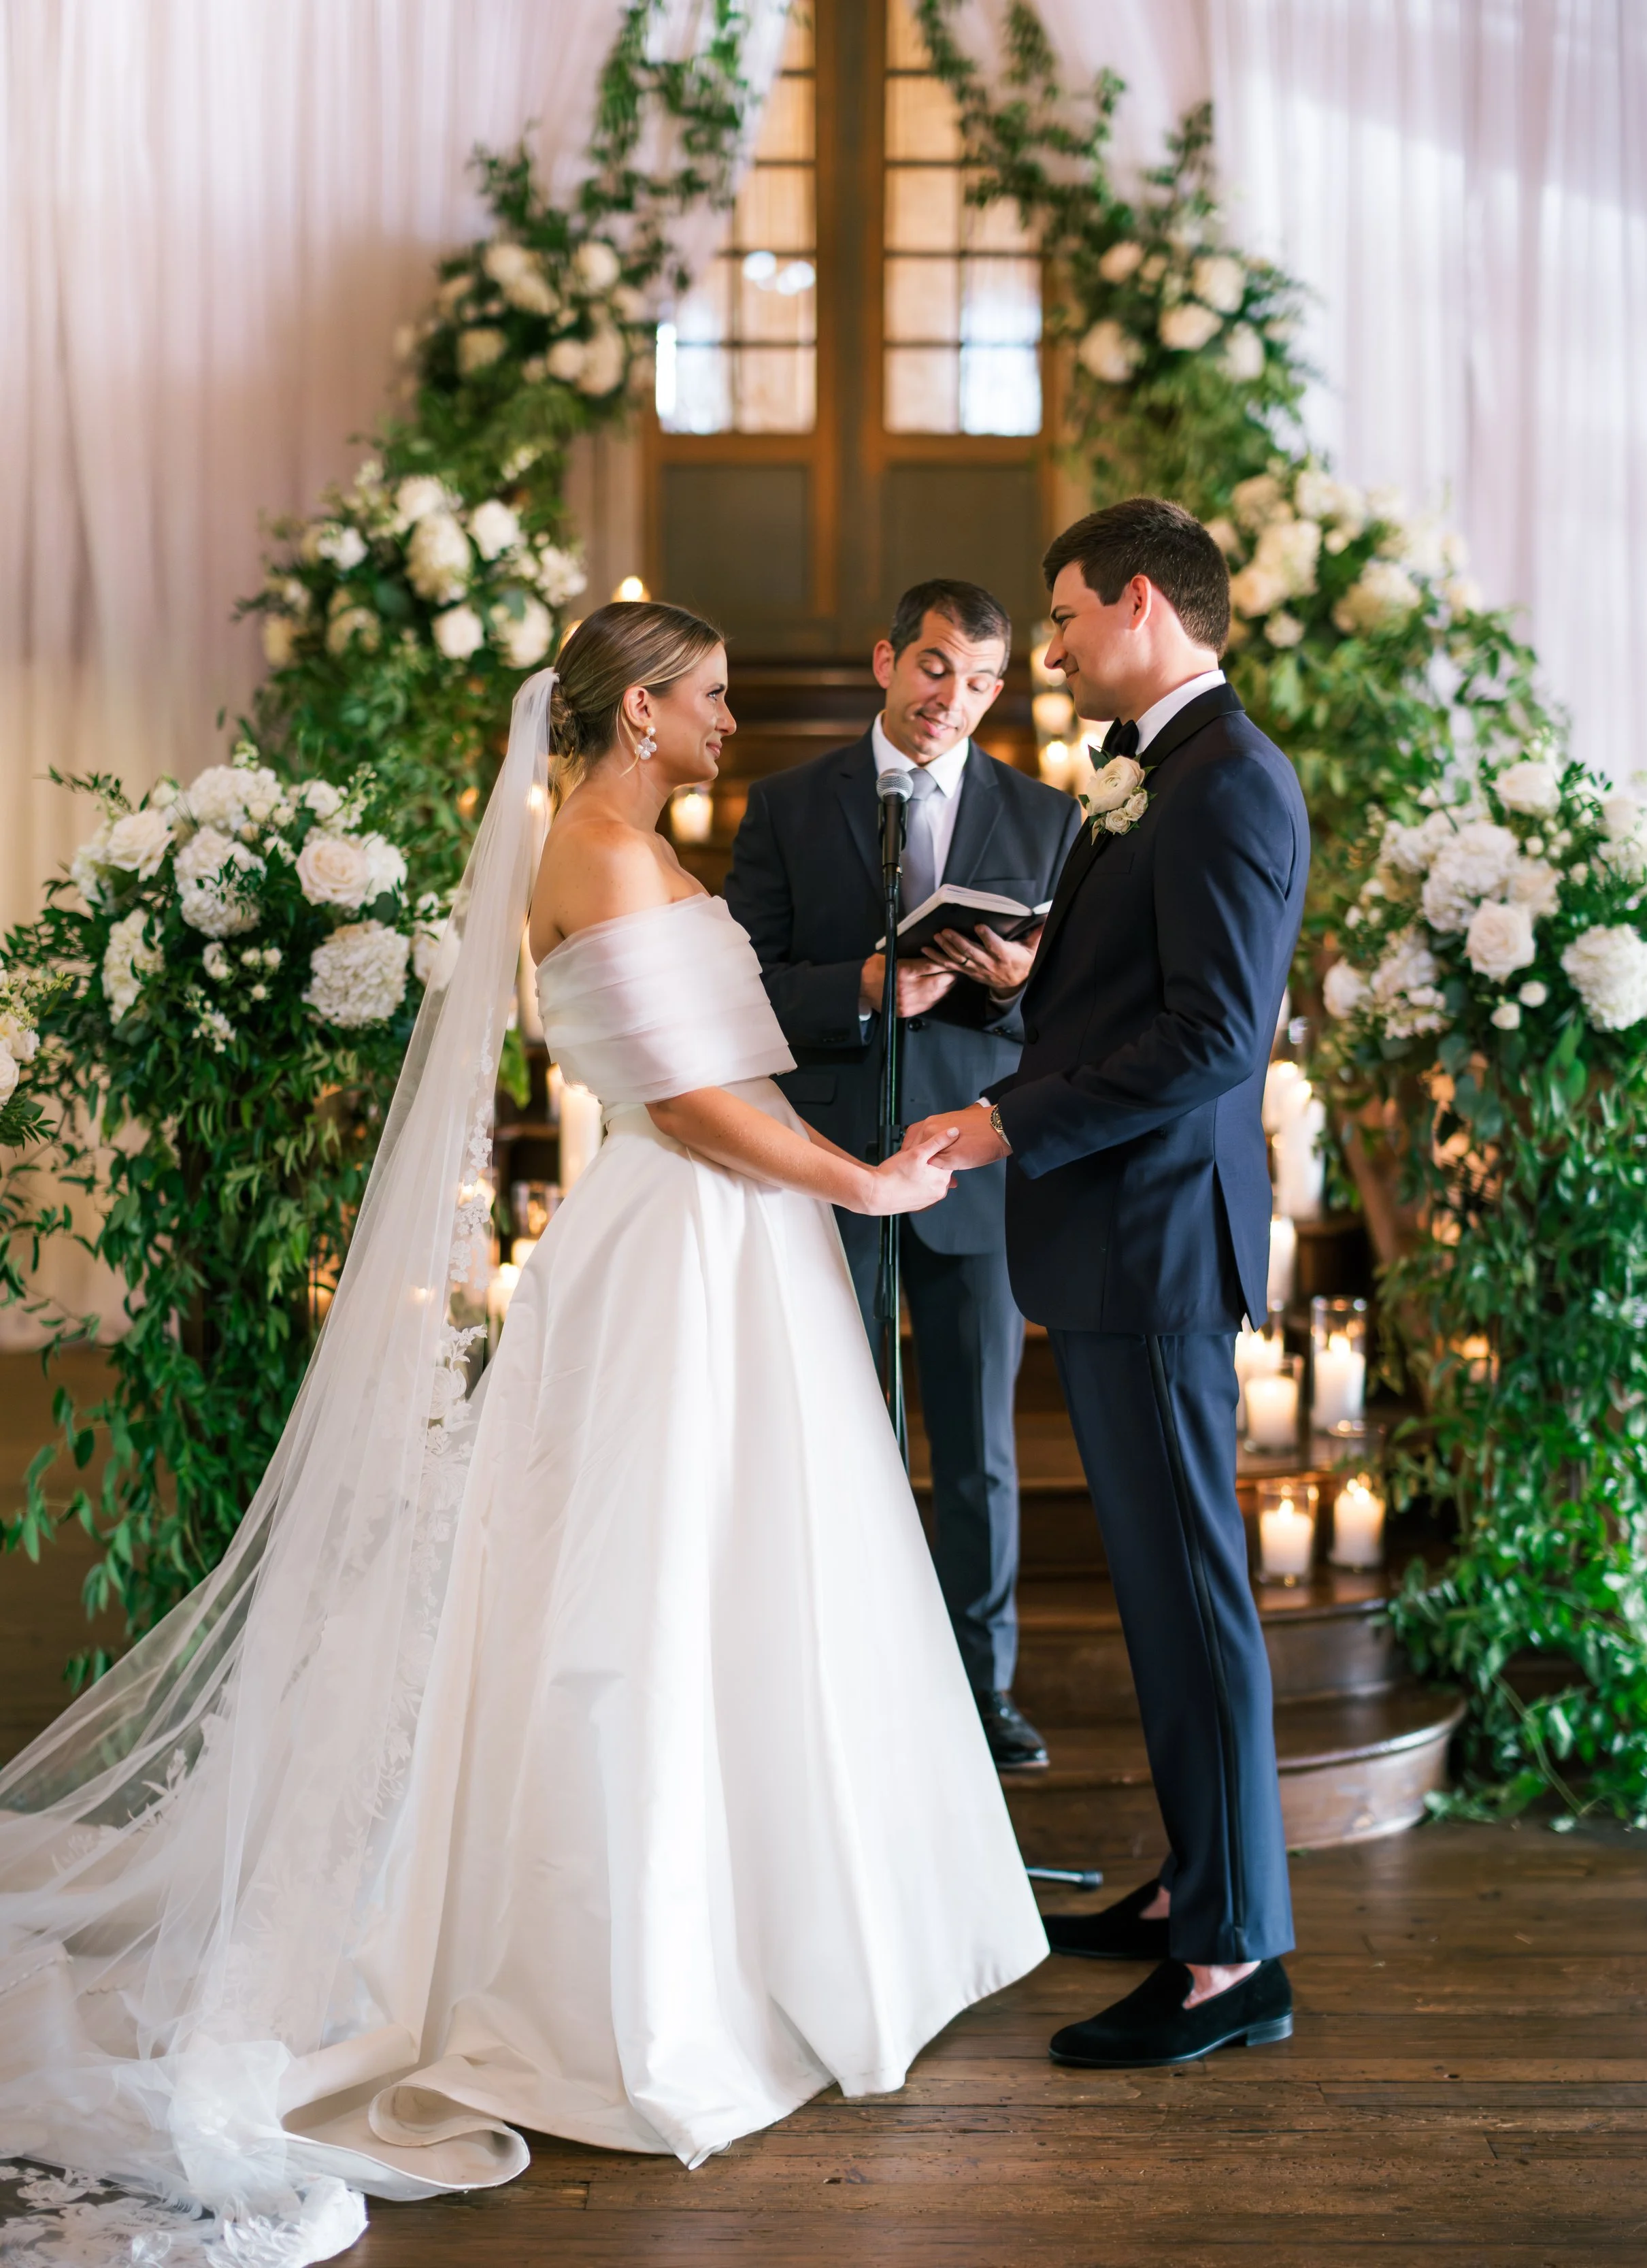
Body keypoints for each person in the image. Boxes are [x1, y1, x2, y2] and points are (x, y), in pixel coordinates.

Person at [0, 604, 1046, 2261]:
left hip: (729, 1241)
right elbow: (687, 1100)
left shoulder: (632, 841)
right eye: (703, 698)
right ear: (636, 712)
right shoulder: (603, 856)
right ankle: (639, 1976)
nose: (723, 721)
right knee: (648, 1595)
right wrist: (862, 1180)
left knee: (754, 1572)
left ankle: (794, 1912)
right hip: (680, 1243)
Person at [905, 499, 1308, 2070]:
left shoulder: (1224, 784)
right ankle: (1197, 1890)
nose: (1053, 645)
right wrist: (1037, 983)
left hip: (1151, 1241)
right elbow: (1143, 995)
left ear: (1140, 603)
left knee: (1193, 1596)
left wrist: (1006, 1114)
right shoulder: (1168, 777)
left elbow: (1216, 1038)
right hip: (1119, 1234)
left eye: (1064, 617)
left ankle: (1230, 1962)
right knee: (1157, 1592)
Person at [725, 580, 1079, 1769]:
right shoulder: (783, 805)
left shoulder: (1047, 816)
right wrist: (859, 990)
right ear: (888, 659)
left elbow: (1082, 1012)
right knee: (845, 1436)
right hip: (834, 1159)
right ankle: (851, 1684)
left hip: (973, 1168)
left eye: (982, 682)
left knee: (977, 1449)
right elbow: (736, 992)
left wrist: (1027, 987)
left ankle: (983, 1693)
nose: (954, 700)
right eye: (936, 669)